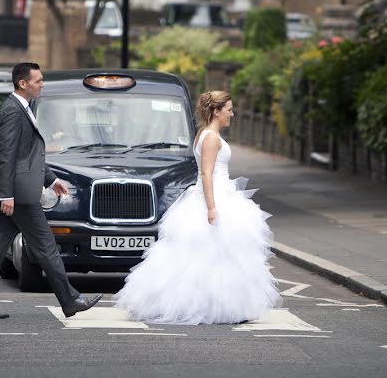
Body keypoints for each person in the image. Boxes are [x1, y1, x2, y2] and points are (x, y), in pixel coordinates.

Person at [114, 90, 280, 324]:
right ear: (216, 111)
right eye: (229, 109)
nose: (232, 114)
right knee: (214, 256)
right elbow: (206, 173)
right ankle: (210, 307)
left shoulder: (204, 134)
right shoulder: (211, 137)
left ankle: (222, 305)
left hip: (216, 195)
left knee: (213, 257)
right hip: (214, 198)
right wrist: (211, 208)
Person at [0, 62, 103, 319]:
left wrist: (50, 180)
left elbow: (27, 155)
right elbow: (5, 155)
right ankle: (70, 300)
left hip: (19, 190)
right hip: (20, 196)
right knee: (47, 247)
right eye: (38, 81)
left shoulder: (22, 108)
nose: (42, 84)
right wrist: (6, 194)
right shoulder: (12, 111)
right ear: (23, 84)